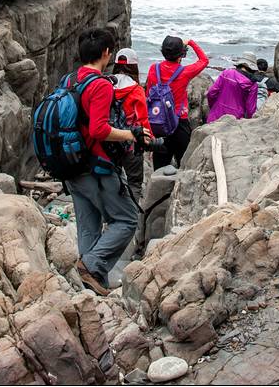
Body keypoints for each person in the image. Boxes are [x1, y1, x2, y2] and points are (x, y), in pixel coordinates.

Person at [68, 27, 150, 296]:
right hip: (97, 165)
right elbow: (99, 129)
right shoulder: (101, 85)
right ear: (105, 53)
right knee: (126, 219)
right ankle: (90, 266)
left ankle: (93, 284)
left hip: (72, 164)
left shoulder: (70, 81)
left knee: (88, 225)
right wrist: (132, 134)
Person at [146, 35, 208, 167]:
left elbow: (148, 95)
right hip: (179, 122)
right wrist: (190, 42)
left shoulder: (153, 69)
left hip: (158, 122)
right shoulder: (185, 72)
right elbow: (204, 60)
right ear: (181, 55)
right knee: (184, 163)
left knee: (160, 166)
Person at [111, 47, 152, 202]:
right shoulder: (135, 89)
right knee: (134, 181)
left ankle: (111, 212)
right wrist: (148, 140)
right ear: (135, 66)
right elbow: (143, 120)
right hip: (130, 143)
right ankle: (132, 215)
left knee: (112, 179)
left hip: (108, 139)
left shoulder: (106, 84)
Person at [206, 52, 259, 122]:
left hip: (216, 116)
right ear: (252, 68)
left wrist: (213, 107)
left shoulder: (226, 73)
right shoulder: (253, 85)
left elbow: (211, 93)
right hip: (235, 121)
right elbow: (250, 109)